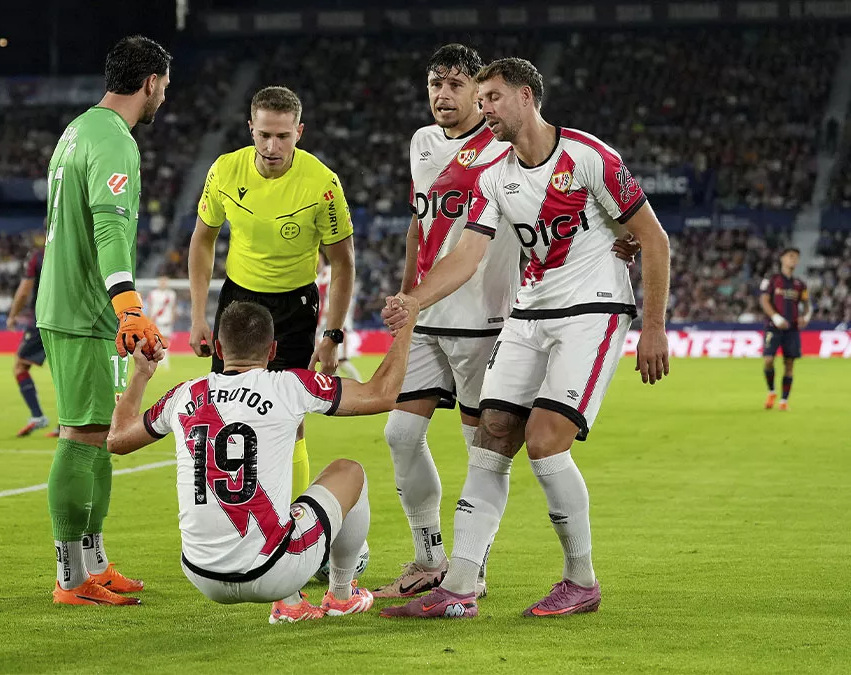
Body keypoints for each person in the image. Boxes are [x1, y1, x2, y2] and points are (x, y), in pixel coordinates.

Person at [381, 58, 671, 619]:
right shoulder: (495, 177)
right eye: (481, 100)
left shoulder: (589, 156)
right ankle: (459, 587)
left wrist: (654, 327)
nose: (483, 108)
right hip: (528, 312)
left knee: (543, 439)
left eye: (491, 97)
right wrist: (415, 298)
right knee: (492, 434)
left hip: (591, 311)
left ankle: (581, 580)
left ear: (526, 97)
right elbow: (467, 253)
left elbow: (652, 238)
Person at [107, 299, 420, 623]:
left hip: (200, 573)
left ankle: (291, 603)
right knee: (349, 472)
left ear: (219, 348)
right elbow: (382, 394)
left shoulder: (184, 394)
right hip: (274, 572)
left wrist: (141, 374)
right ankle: (341, 596)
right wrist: (407, 326)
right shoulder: (290, 385)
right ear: (272, 351)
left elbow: (117, 439)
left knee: (276, 512)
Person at [35, 35, 171, 606]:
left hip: (81, 307)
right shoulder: (115, 140)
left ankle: (94, 561)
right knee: (81, 435)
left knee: (100, 434)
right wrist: (129, 306)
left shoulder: (79, 129)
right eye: (164, 85)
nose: (164, 95)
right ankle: (70, 578)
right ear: (150, 83)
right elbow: (109, 227)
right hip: (83, 310)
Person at [188, 85, 355, 501]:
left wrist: (332, 335)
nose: (272, 146)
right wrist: (196, 315)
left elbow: (343, 263)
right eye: (264, 135)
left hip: (294, 305)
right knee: (226, 409)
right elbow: (203, 239)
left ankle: (291, 519)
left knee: (290, 416)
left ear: (299, 131)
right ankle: (231, 514)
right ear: (251, 128)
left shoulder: (323, 184)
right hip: (238, 302)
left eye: (283, 136)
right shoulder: (224, 171)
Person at [6, 242, 59, 438]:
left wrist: (13, 315)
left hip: (44, 317)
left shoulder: (38, 256)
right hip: (74, 318)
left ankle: (37, 415)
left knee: (20, 366)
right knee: (67, 370)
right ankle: (68, 423)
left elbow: (24, 291)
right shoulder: (76, 250)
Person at [760, 247, 810, 411]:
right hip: (773, 327)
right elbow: (764, 300)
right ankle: (771, 391)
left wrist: (805, 317)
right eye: (790, 256)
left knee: (789, 364)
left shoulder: (800, 284)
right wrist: (775, 317)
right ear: (782, 258)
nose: (793, 260)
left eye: (796, 257)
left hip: (792, 329)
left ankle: (783, 401)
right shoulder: (772, 279)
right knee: (768, 360)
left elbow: (807, 305)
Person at [315, 253, 361, 380]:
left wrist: (333, 310)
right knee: (329, 361)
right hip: (323, 323)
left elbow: (344, 288)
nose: (316, 262)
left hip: (335, 321)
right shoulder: (317, 278)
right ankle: (337, 385)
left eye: (318, 259)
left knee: (342, 361)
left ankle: (359, 382)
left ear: (322, 259)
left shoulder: (330, 272)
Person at [145, 276, 178, 370]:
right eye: (162, 281)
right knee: (155, 341)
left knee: (166, 341)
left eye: (165, 282)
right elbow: (150, 306)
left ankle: (165, 360)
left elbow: (173, 307)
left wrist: (172, 318)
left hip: (166, 321)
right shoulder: (153, 293)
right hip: (155, 321)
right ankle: (157, 361)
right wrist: (149, 320)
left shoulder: (171, 294)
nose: (163, 283)